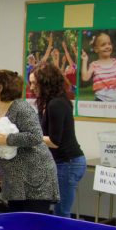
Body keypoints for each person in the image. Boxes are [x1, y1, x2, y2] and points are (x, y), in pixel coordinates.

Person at [0, 69, 60, 213]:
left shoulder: (21, 107)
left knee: (33, 225)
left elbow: (35, 136)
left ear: (0, 88)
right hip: (15, 178)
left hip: (35, 177)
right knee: (17, 223)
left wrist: (5, 139)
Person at [33, 65, 86, 218]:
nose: (32, 86)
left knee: (62, 212)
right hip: (64, 162)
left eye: (35, 83)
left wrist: (29, 137)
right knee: (59, 210)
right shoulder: (53, 102)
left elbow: (55, 141)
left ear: (45, 83)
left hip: (69, 163)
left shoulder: (56, 104)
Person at [81, 31, 116, 103]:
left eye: (109, 44)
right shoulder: (94, 65)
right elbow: (85, 78)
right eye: (103, 45)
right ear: (96, 49)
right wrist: (85, 61)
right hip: (101, 101)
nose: (107, 46)